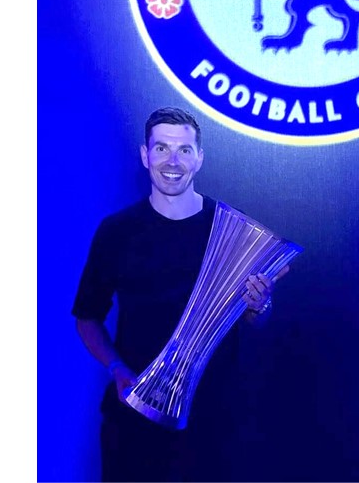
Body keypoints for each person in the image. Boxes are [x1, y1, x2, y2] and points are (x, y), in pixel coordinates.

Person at [72, 107, 289, 481]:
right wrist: (117, 368)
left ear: (199, 158)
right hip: (134, 421)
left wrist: (260, 303)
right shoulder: (116, 232)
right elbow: (86, 317)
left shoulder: (230, 229)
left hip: (212, 423)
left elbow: (256, 318)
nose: (173, 161)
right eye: (161, 149)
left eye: (184, 150)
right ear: (145, 155)